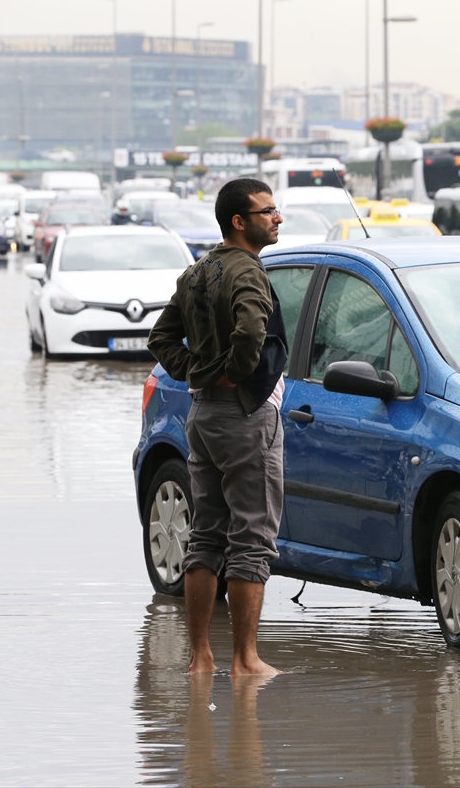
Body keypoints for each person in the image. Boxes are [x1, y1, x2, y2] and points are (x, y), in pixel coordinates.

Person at [148, 178, 288, 677]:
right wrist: (234, 371)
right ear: (239, 221)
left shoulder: (196, 272)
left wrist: (195, 373)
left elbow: (160, 337)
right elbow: (251, 331)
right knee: (252, 539)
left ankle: (199, 657)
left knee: (205, 536)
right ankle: (246, 661)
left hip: (202, 414)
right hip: (244, 415)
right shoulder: (247, 271)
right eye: (267, 211)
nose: (277, 218)